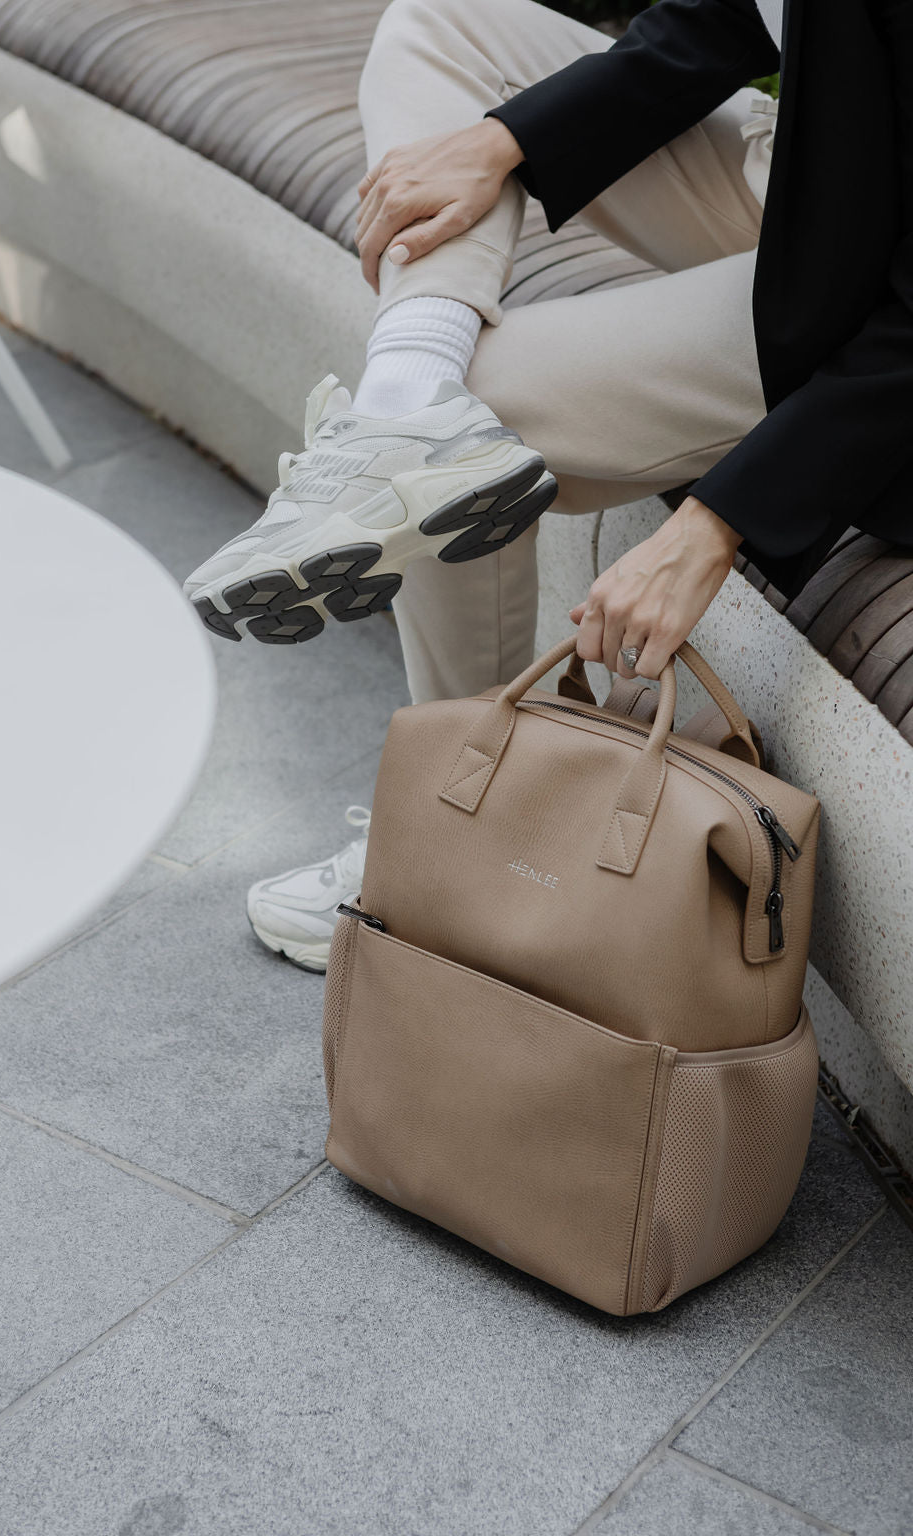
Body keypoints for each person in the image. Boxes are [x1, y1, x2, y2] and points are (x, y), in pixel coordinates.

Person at [186, 0, 913, 971]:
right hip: (824, 177)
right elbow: (734, 19)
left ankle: (451, 834)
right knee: (442, 25)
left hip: (887, 316)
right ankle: (408, 390)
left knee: (484, 416)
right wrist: (504, 139)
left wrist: (715, 524)